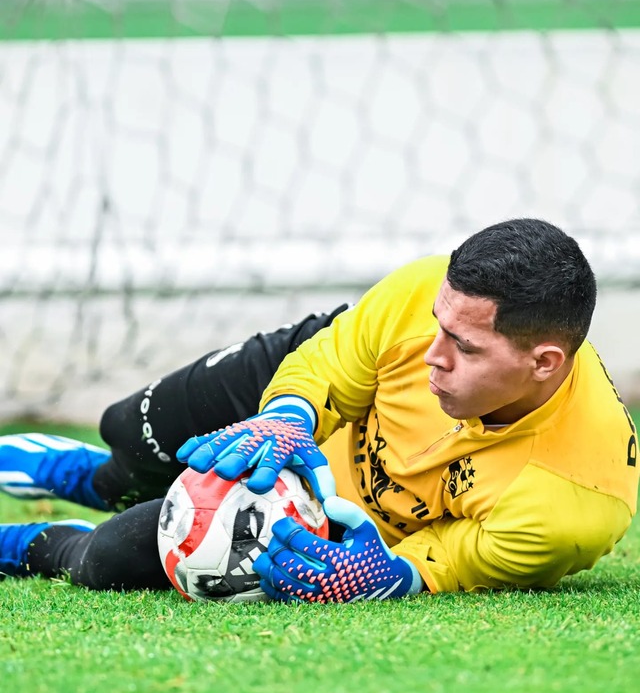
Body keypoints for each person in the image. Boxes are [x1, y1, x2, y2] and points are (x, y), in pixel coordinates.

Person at [0, 218, 637, 601]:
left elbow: (445, 560)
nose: (430, 354)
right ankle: (92, 477)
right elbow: (327, 369)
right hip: (310, 398)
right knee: (127, 434)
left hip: (344, 517)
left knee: (108, 559)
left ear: (544, 362)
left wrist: (387, 576)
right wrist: (286, 417)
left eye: (463, 348)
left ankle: (22, 542)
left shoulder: (569, 505)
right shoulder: (425, 296)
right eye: (437, 325)